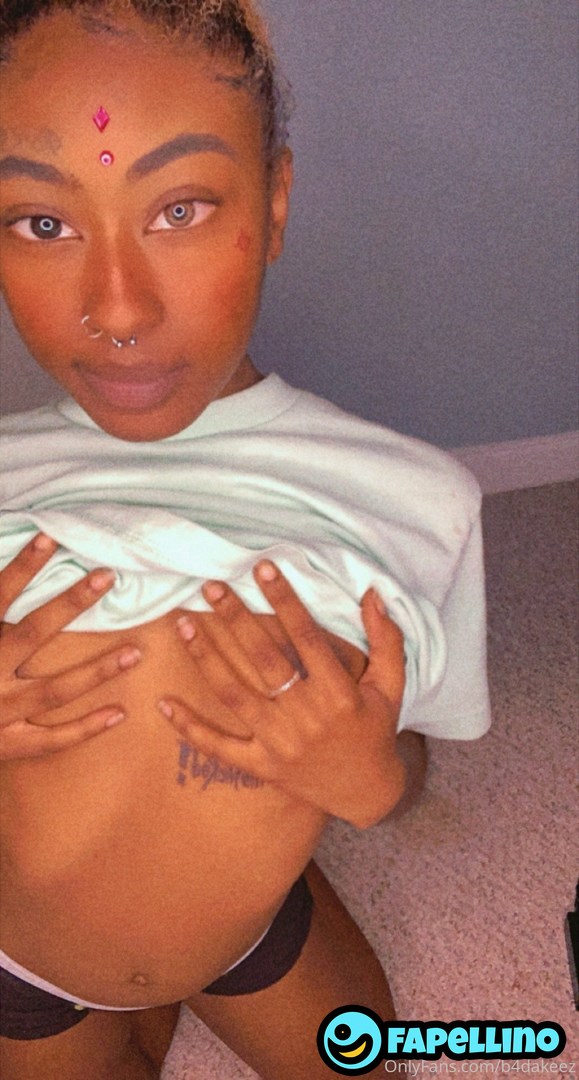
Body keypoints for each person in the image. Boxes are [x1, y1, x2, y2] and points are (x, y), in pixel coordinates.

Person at [0, 2, 491, 1077]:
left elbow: (404, 753)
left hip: (247, 930)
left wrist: (373, 780)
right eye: (41, 223)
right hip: (25, 966)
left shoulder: (418, 504)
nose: (118, 310)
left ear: (272, 206)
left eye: (179, 209)